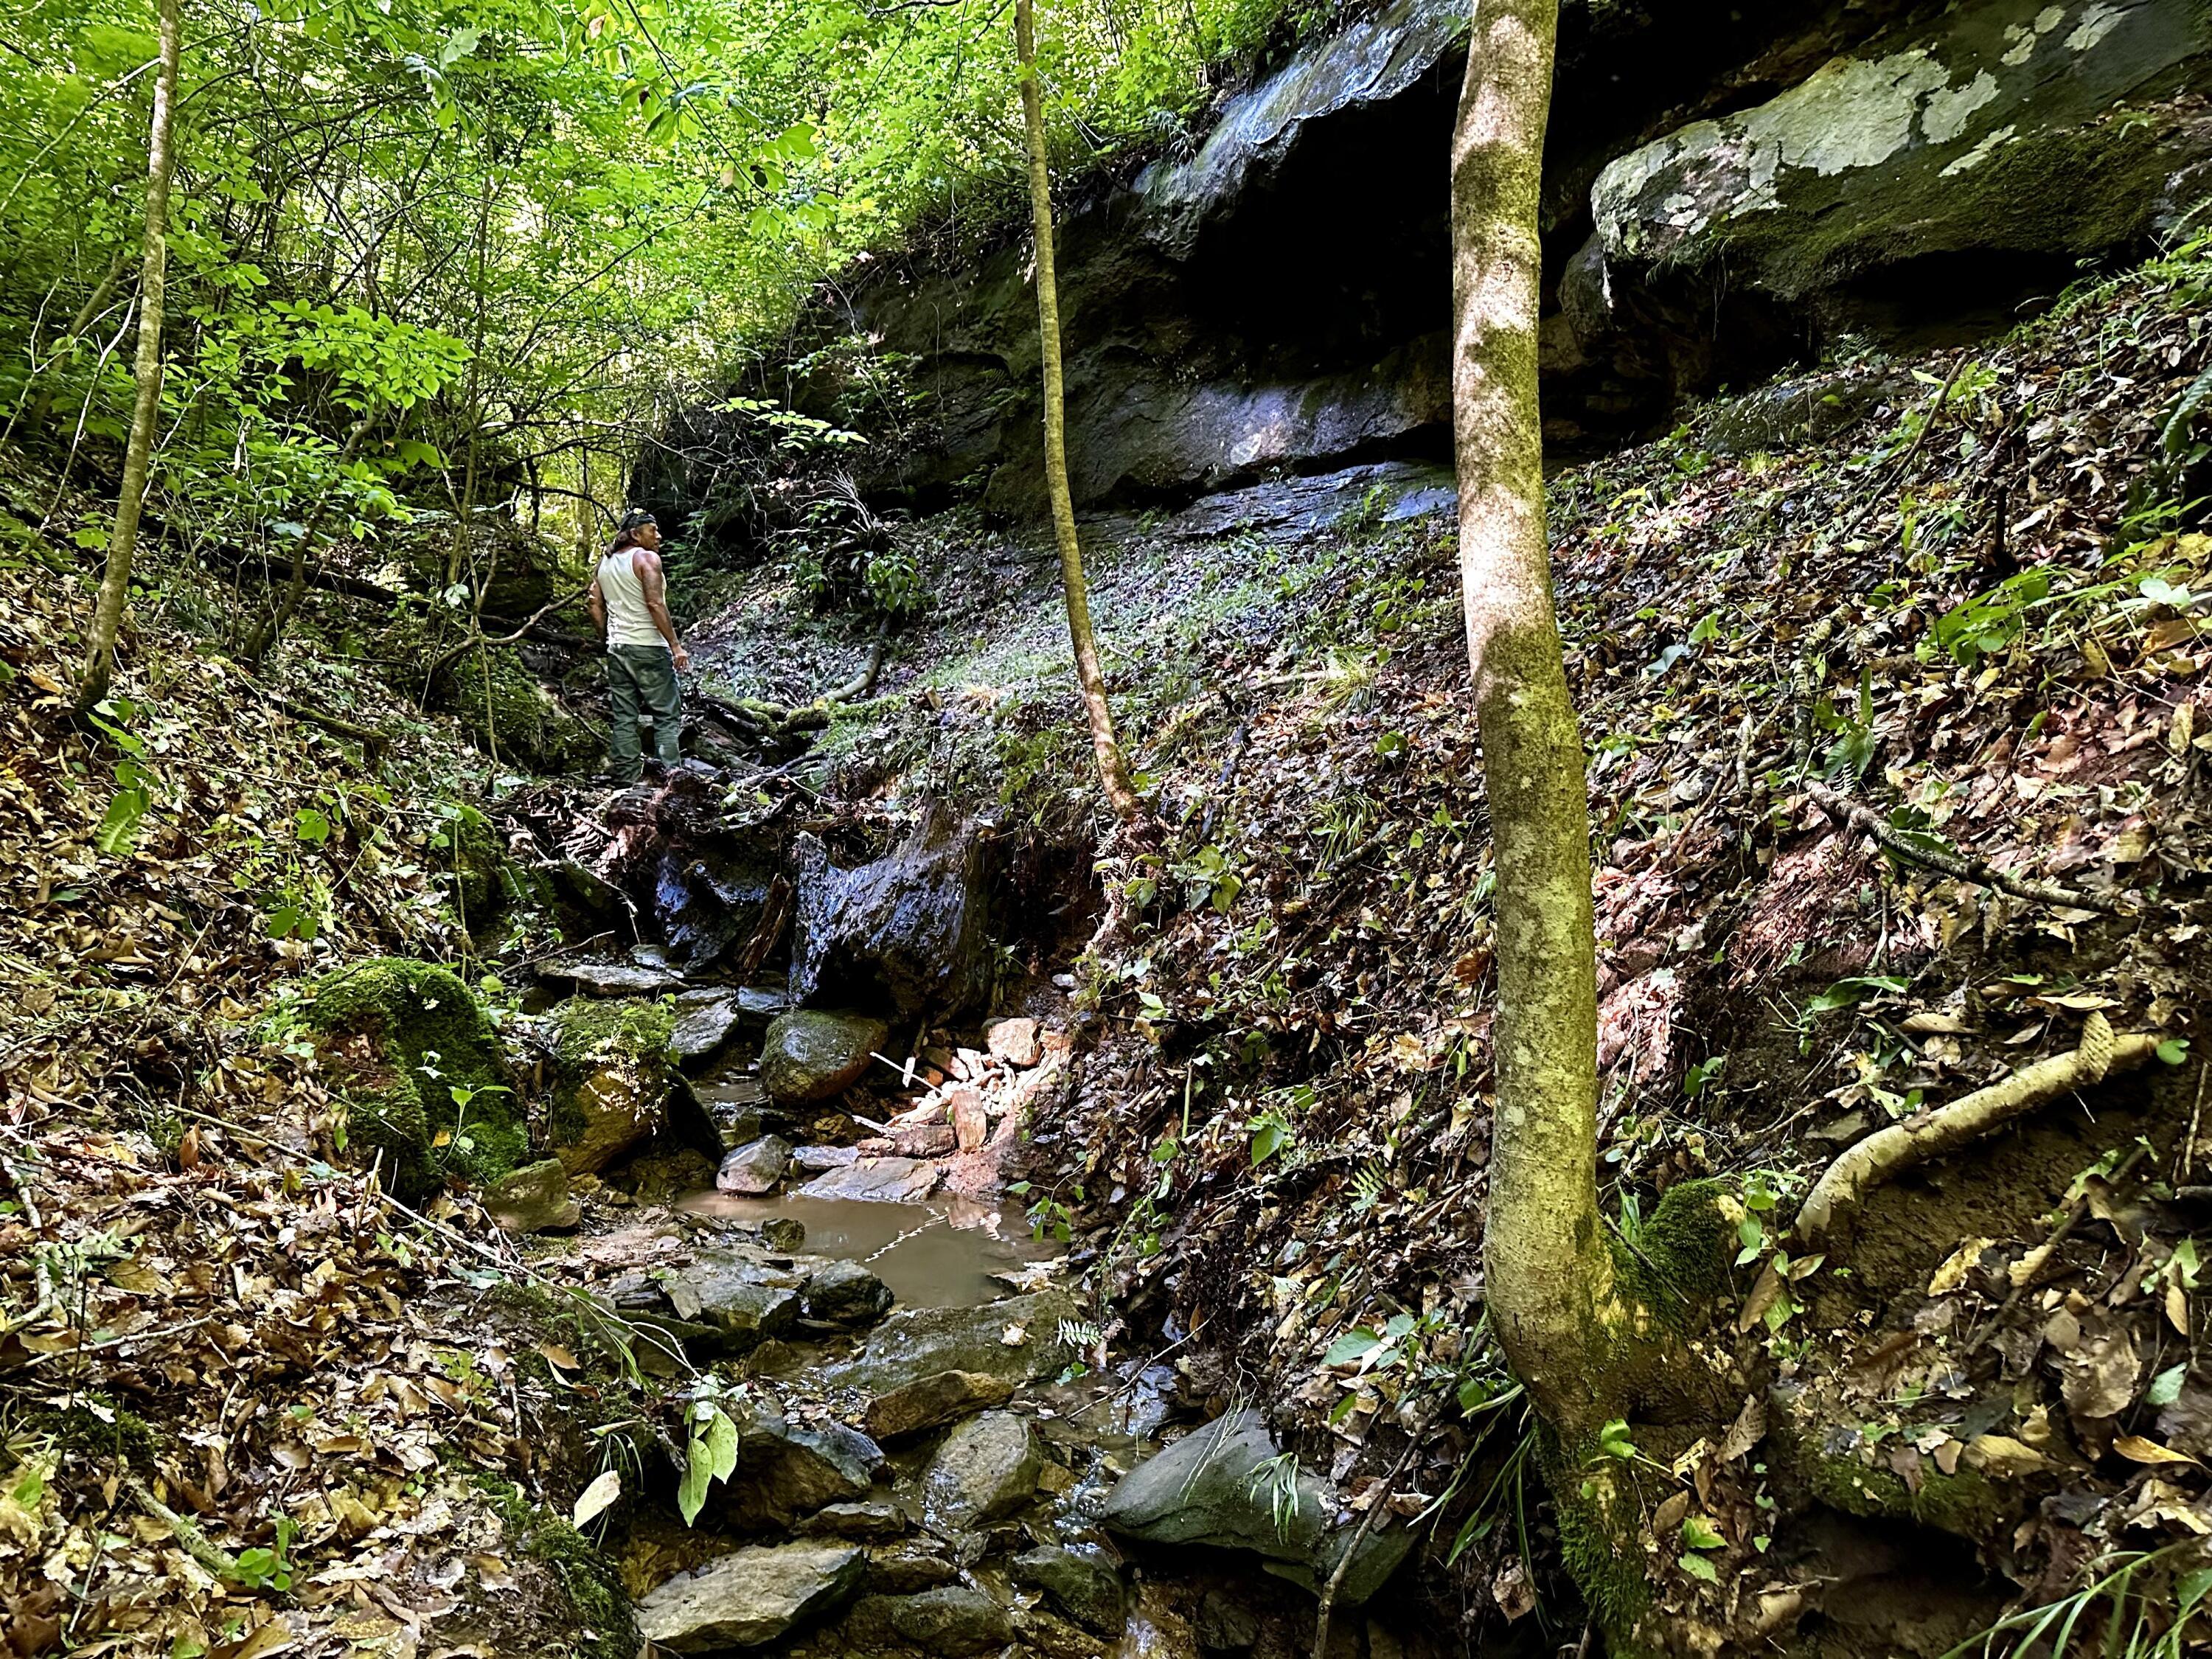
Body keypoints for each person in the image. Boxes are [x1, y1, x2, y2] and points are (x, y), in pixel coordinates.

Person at [586, 509, 690, 784]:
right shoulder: (647, 559)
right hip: (649, 647)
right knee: (666, 715)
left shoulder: (604, 564)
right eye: (652, 530)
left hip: (618, 648)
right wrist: (676, 646)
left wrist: (605, 637)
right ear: (635, 534)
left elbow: (594, 604)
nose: (659, 535)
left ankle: (627, 779)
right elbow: (655, 603)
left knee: (624, 717)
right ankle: (671, 779)